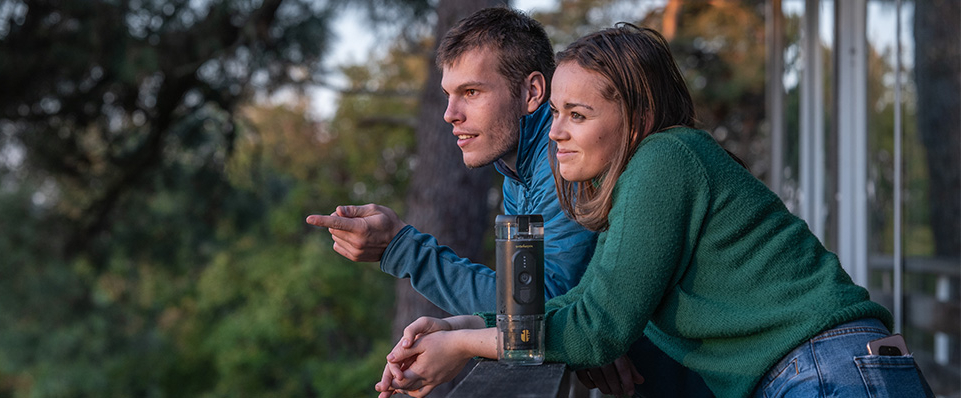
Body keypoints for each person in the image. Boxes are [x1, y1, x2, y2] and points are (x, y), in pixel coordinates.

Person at [377, 23, 935, 398]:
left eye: (578, 114)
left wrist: (459, 346)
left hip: (829, 373)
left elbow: (596, 331)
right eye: (555, 115)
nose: (557, 133)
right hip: (824, 372)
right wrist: (460, 323)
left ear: (636, 120)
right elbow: (582, 304)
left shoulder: (666, 158)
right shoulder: (642, 179)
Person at [309, 7, 711, 398]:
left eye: (471, 92)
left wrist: (404, 251)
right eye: (448, 95)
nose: (450, 114)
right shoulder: (517, 176)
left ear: (532, 91)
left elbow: (539, 308)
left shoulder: (563, 160)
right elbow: (536, 308)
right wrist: (459, 327)